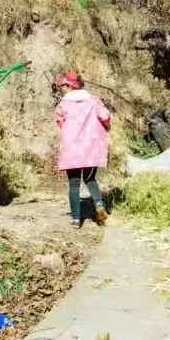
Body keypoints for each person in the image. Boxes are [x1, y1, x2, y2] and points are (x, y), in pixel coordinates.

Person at [54, 71, 111, 228]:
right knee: (90, 179)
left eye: (63, 85)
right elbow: (105, 117)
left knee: (74, 184)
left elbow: (59, 122)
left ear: (70, 86)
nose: (61, 88)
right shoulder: (93, 100)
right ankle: (99, 205)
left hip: (71, 149)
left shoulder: (63, 104)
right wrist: (107, 127)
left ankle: (76, 220)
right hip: (91, 147)